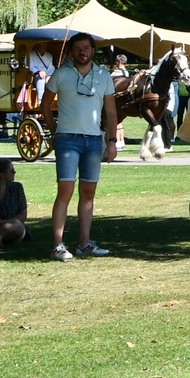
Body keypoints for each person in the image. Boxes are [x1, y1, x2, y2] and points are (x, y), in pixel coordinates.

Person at [44, 32, 119, 260]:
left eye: (86, 48)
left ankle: (84, 243)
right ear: (71, 52)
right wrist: (54, 131)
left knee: (88, 192)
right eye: (78, 49)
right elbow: (45, 105)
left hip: (94, 140)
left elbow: (111, 111)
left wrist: (112, 141)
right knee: (64, 191)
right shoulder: (61, 74)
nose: (82, 52)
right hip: (68, 139)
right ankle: (58, 245)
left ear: (93, 50)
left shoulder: (103, 75)